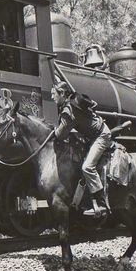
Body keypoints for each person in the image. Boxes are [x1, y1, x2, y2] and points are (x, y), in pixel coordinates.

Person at [51, 81, 111, 216]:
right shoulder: (73, 101)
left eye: (54, 94)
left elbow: (60, 134)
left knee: (87, 167)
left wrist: (52, 130)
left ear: (62, 94)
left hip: (100, 136)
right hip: (92, 136)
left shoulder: (68, 110)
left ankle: (101, 203)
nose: (52, 97)